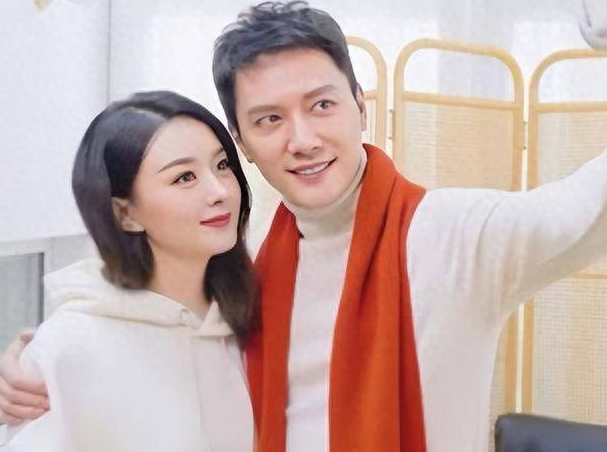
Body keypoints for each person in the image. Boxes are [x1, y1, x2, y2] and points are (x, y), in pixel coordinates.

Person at [2, 2, 607, 452]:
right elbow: (141, 305)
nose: (303, 139)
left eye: (321, 105)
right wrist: (41, 361)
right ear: (243, 142)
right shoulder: (246, 258)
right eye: (269, 119)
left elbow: (586, 204)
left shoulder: (460, 235)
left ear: (360, 105)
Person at [0, 91, 257, 451]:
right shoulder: (69, 347)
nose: (220, 191)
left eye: (222, 165)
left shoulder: (251, 317)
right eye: (184, 177)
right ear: (125, 214)